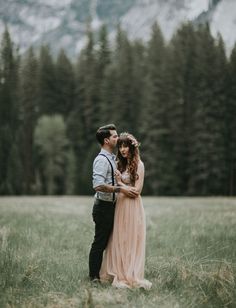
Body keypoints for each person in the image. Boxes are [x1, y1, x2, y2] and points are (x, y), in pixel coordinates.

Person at [99, 132, 152, 289]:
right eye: (120, 146)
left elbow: (136, 191)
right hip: (120, 205)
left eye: (125, 146)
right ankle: (117, 271)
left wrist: (120, 183)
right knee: (118, 238)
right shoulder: (118, 164)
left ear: (132, 147)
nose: (122, 149)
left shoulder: (140, 165)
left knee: (131, 239)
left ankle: (130, 273)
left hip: (133, 206)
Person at [89, 125, 139, 281]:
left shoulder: (112, 157)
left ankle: (113, 272)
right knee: (100, 243)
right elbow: (98, 185)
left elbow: (130, 158)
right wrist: (120, 189)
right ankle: (94, 277)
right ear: (106, 140)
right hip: (103, 207)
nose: (117, 139)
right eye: (115, 137)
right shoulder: (101, 160)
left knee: (112, 243)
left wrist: (134, 145)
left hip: (112, 207)